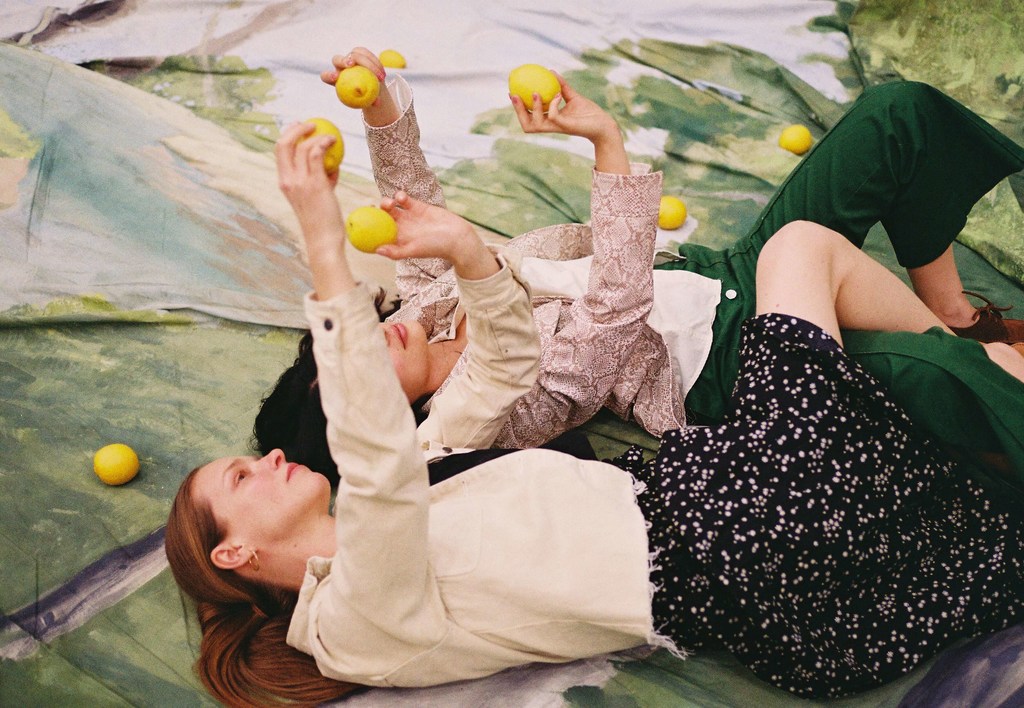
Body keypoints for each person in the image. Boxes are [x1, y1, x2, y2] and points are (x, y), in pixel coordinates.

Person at [165, 113, 1024, 706]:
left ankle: (974, 348)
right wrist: (322, 238)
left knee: (984, 411)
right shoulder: (349, 623)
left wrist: (466, 250)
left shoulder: (425, 473)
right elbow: (377, 464)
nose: (268, 461)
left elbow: (500, 366)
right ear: (235, 552)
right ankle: (966, 345)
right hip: (739, 528)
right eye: (241, 477)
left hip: (743, 530)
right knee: (808, 256)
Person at [254, 49, 1024, 483]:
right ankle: (969, 363)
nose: (366, 342)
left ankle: (954, 313)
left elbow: (409, 195)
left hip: (725, 269)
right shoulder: (498, 413)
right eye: (355, 374)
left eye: (342, 345)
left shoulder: (428, 305)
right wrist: (607, 144)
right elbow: (614, 309)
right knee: (936, 377)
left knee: (896, 116)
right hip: (734, 361)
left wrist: (378, 104)